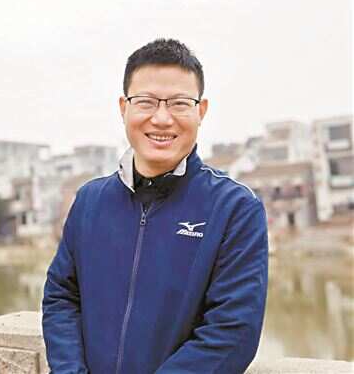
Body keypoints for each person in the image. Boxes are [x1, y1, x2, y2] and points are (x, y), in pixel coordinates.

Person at [42, 38, 268, 374]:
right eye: (145, 102)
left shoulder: (235, 208)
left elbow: (233, 331)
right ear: (124, 108)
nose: (162, 119)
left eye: (179, 103)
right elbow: (61, 297)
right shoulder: (90, 201)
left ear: (201, 111)